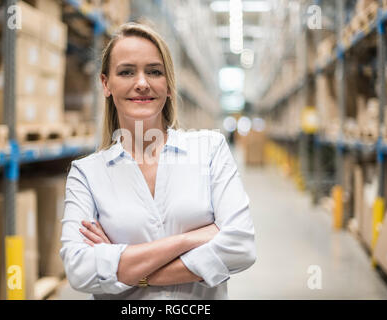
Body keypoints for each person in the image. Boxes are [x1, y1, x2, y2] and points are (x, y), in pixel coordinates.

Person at [60, 22, 256, 300]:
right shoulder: (87, 174)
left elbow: (241, 247)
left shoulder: (210, 150)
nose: (142, 83)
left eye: (154, 72)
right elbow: (79, 269)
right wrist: (189, 240)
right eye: (127, 72)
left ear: (169, 86)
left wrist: (124, 267)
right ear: (106, 84)